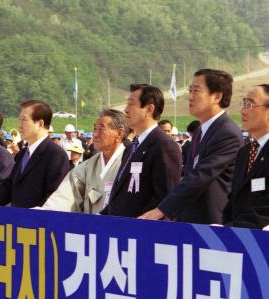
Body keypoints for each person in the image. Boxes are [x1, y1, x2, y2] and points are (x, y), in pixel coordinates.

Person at [140, 69, 243, 224]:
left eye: (196, 91)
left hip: (212, 224)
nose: (190, 96)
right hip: (190, 220)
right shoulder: (201, 131)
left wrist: (161, 210)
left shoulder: (227, 133)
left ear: (217, 96)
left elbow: (201, 176)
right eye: (190, 90)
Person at [102, 84, 182, 217]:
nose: (126, 110)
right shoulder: (131, 147)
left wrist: (138, 223)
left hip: (142, 231)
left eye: (131, 104)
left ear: (149, 109)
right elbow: (120, 195)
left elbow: (165, 198)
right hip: (119, 228)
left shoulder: (164, 146)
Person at [0, 100, 70, 208]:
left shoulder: (56, 155)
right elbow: (9, 184)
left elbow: (55, 194)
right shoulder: (23, 154)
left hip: (38, 222)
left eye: (24, 120)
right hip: (17, 220)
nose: (20, 125)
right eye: (19, 120)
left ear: (40, 123)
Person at [42, 109, 127, 214]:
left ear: (119, 133)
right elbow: (66, 195)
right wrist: (43, 213)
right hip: (91, 228)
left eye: (101, 129)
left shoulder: (129, 164)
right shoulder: (88, 166)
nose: (94, 135)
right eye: (95, 129)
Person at [223, 84, 269, 228]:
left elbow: (265, 210)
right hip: (239, 238)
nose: (243, 111)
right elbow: (234, 198)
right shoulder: (245, 152)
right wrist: (225, 227)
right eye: (244, 104)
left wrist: (233, 229)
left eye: (250, 105)